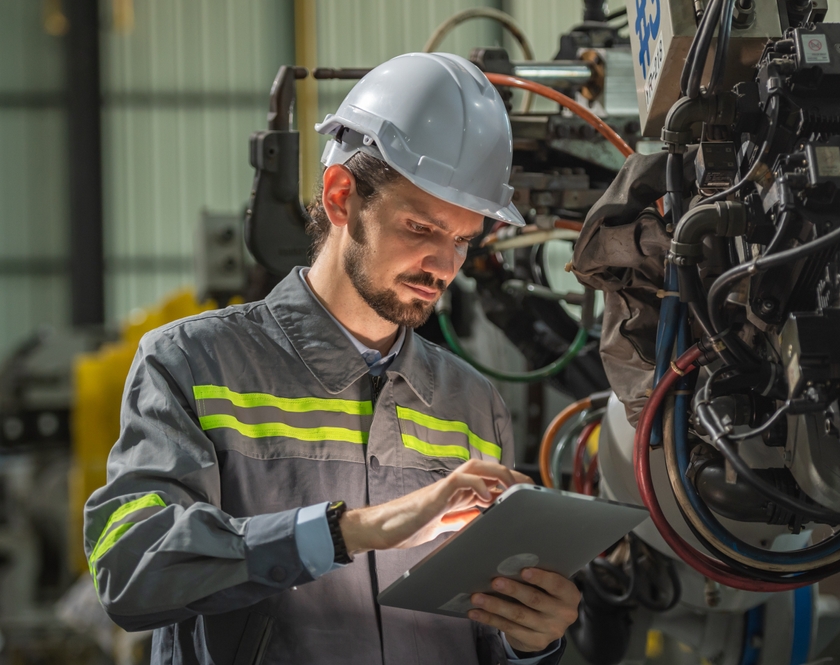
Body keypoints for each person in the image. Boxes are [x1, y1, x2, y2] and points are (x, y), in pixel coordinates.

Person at [83, 53, 580, 665]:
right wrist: (349, 531)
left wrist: (529, 638)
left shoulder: (473, 403)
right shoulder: (193, 364)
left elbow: (480, 634)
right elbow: (130, 569)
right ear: (342, 196)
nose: (445, 267)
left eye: (462, 239)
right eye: (421, 228)